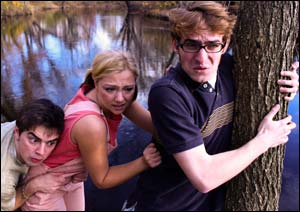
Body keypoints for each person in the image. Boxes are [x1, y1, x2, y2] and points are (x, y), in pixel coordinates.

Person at [123, 1, 299, 211]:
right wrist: (265, 140)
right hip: (164, 205)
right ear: (175, 44)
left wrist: (289, 84)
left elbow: (267, 83)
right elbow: (204, 177)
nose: (202, 58)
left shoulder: (232, 68)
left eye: (213, 45)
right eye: (191, 44)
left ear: (225, 45)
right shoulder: (168, 93)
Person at [21, 50, 161, 211]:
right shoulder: (91, 123)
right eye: (110, 89)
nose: (120, 98)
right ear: (96, 80)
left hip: (71, 180)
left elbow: (154, 125)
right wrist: (143, 162)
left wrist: (169, 98)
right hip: (45, 187)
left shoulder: (104, 96)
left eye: (128, 89)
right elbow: (102, 179)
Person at [1, 98, 66, 211]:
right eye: (34, 140)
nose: (41, 152)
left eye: (50, 143)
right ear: (17, 133)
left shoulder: (25, 124)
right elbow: (7, 207)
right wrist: (33, 186)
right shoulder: (5, 179)